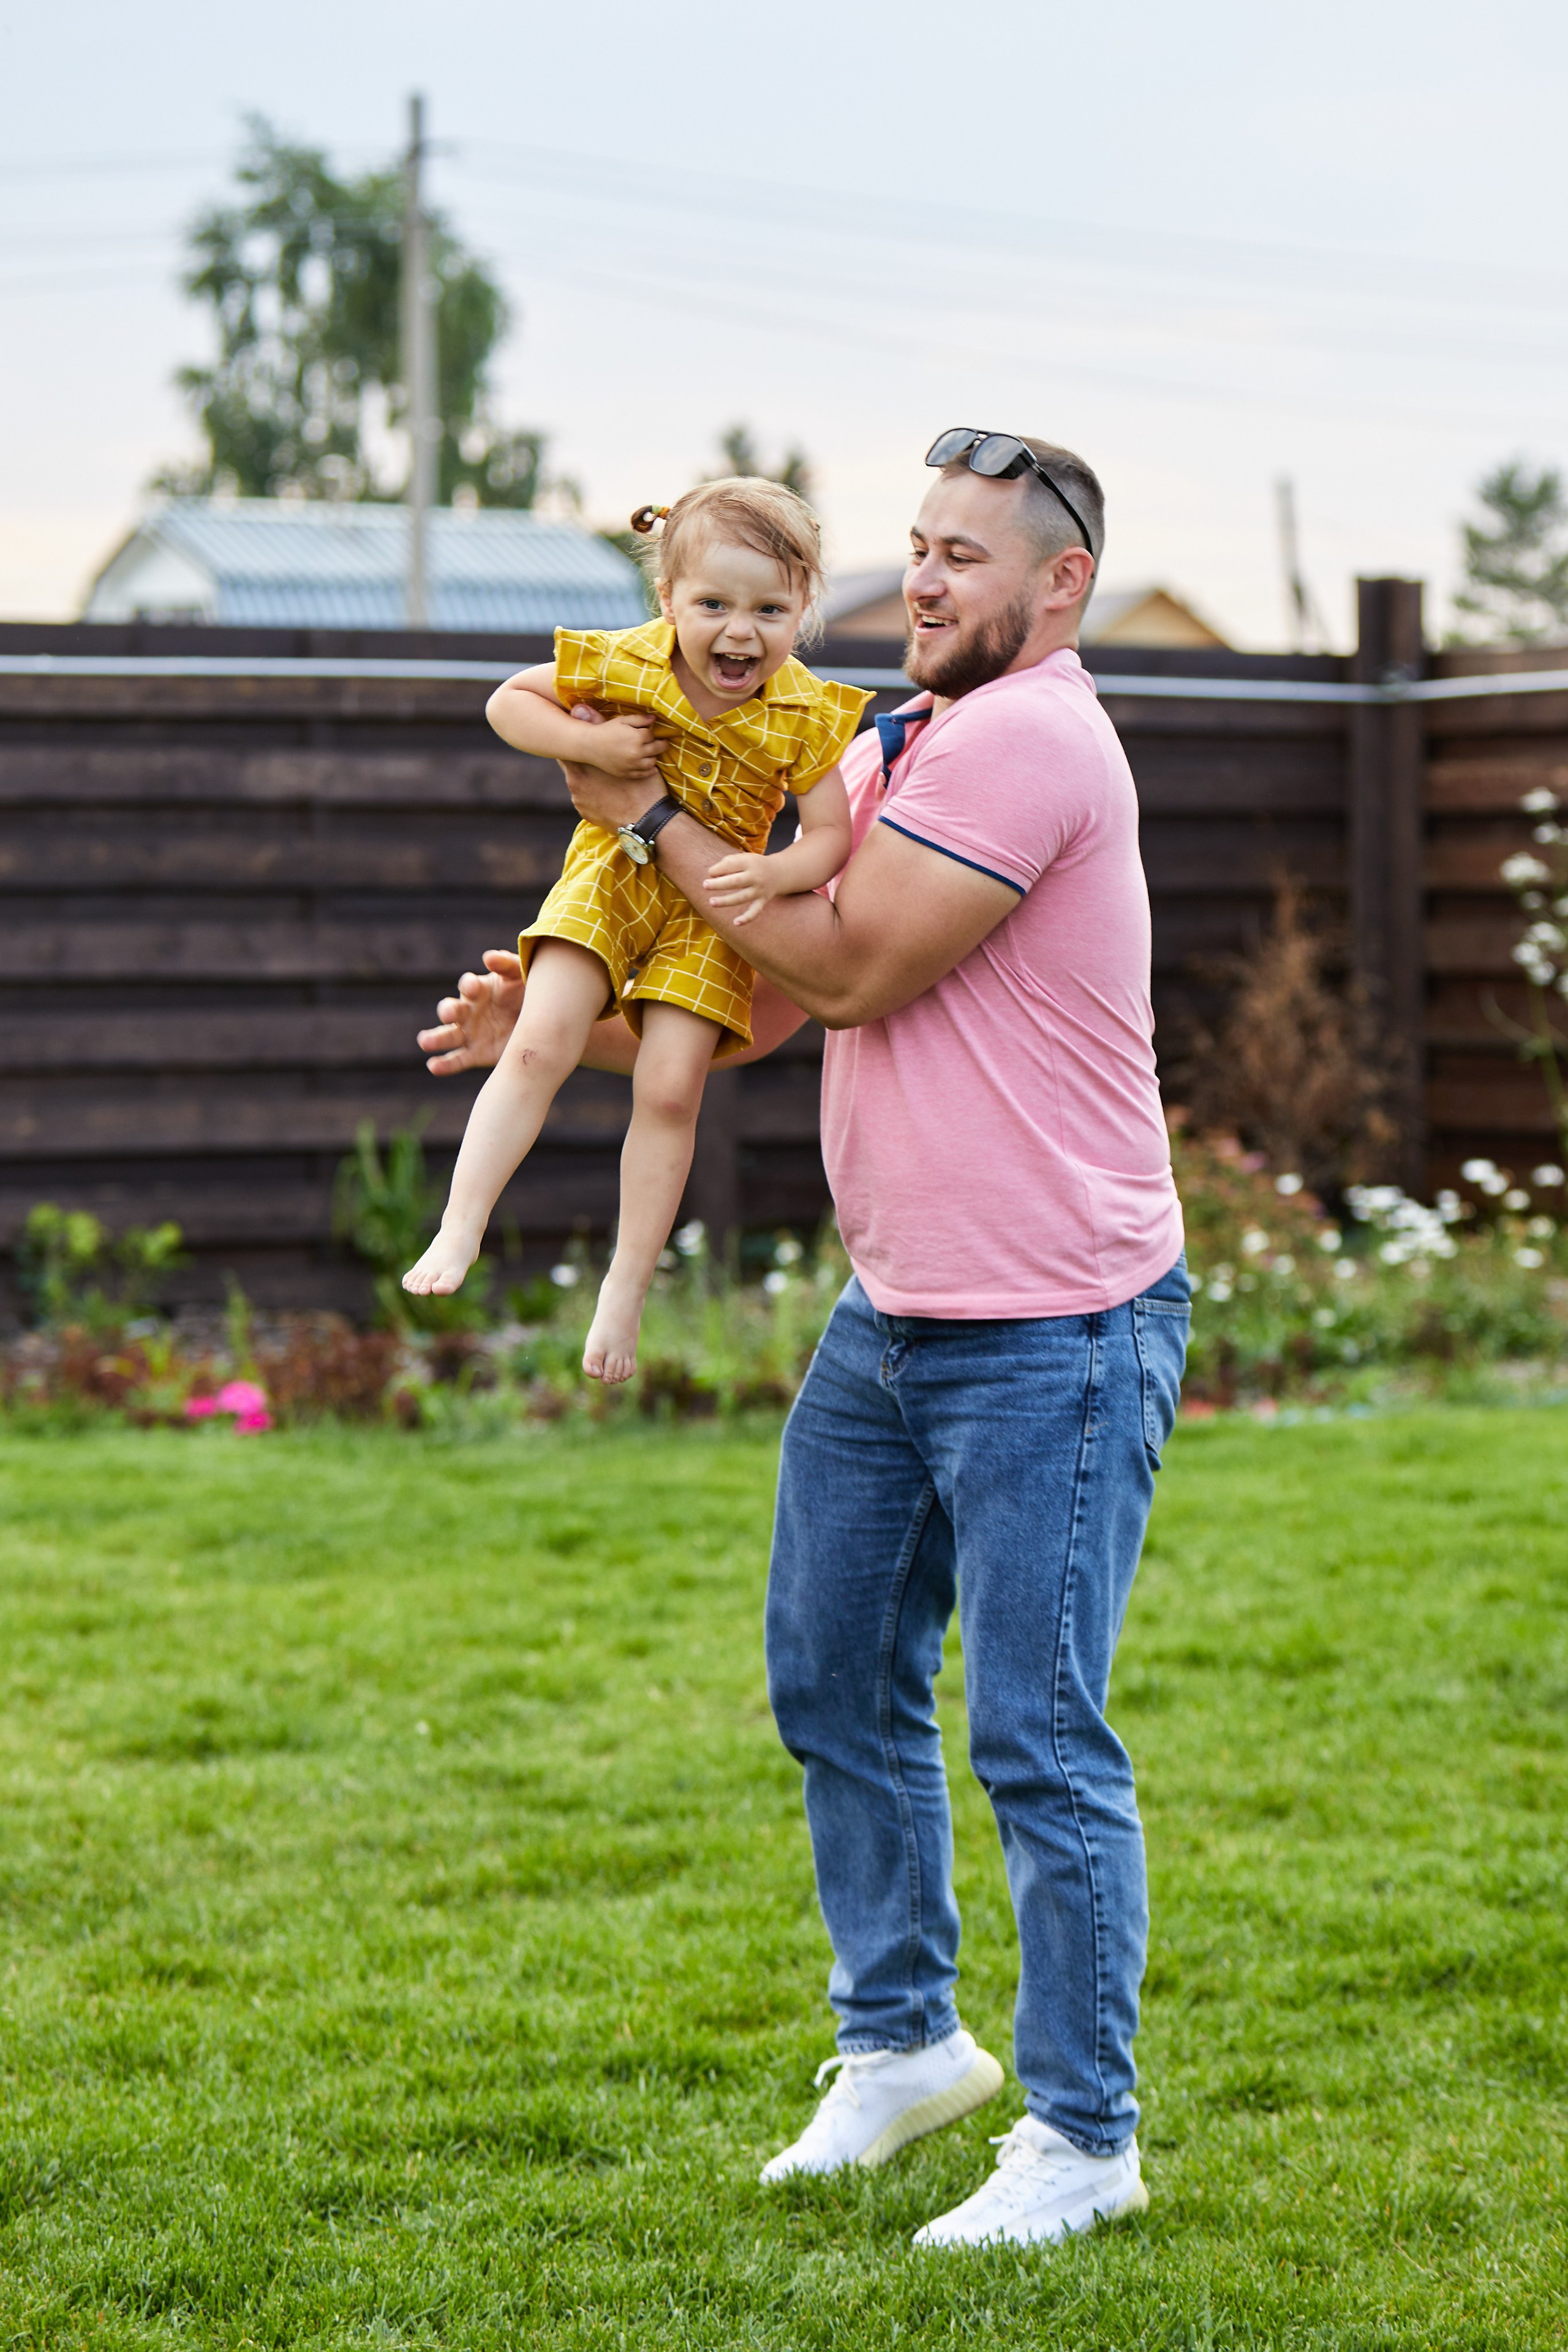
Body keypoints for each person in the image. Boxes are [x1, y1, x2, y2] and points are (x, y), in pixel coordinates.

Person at [417, 430, 1189, 2252]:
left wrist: (643, 820)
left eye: (966, 558)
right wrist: (560, 1025)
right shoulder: (899, 734)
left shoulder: (1030, 738)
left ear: (1056, 588)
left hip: (1056, 1321)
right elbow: (757, 1008)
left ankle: (1085, 2136)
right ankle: (906, 2044)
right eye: (915, 548)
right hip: (902, 1308)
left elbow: (850, 968)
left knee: (1038, 1734)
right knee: (835, 1678)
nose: (922, 583)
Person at [401, 477, 870, 1382]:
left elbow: (831, 839)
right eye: (714, 605)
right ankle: (461, 1223)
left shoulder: (806, 713)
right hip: (613, 875)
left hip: (711, 913)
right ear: (669, 601)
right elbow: (509, 703)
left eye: (770, 608)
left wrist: (776, 873)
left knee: (670, 1088)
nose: (741, 632)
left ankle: (625, 1285)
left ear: (804, 607)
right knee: (539, 1040)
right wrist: (590, 748)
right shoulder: (631, 661)